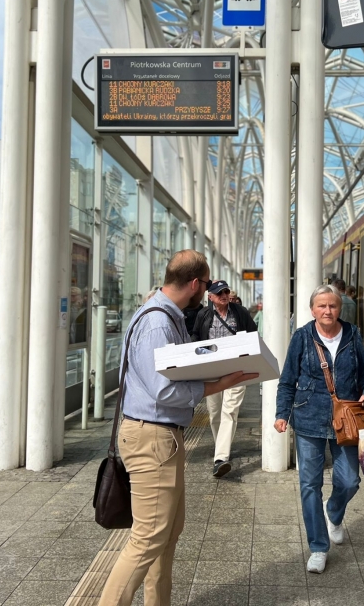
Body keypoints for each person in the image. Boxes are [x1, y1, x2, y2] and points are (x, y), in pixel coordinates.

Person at [98, 251, 257, 606]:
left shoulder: (168, 316)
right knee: (149, 537)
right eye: (207, 283)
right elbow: (164, 390)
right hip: (152, 436)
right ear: (195, 284)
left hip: (161, 436)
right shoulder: (158, 323)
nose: (208, 290)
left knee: (168, 532)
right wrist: (218, 384)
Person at [274, 285, 364, 574]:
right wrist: (282, 414)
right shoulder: (302, 336)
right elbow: (287, 379)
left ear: (340, 308)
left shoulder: (353, 334)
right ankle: (318, 547)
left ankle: (334, 511)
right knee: (309, 485)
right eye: (322, 306)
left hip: (347, 419)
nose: (327, 311)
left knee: (350, 480)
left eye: (332, 306)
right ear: (312, 310)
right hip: (309, 417)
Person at [192, 280, 258, 477]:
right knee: (214, 413)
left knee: (229, 411)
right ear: (210, 297)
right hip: (211, 370)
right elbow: (196, 338)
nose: (224, 295)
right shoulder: (204, 315)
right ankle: (221, 447)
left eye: (226, 292)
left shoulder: (240, 312)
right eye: (219, 293)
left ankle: (221, 458)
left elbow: (253, 335)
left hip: (236, 369)